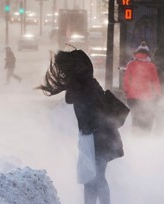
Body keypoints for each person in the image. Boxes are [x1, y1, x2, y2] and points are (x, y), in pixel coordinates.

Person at [37, 49, 124, 204]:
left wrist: (89, 131)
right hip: (97, 137)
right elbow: (73, 100)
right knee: (92, 178)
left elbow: (90, 110)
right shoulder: (86, 84)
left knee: (95, 177)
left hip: (98, 137)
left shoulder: (84, 87)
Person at [123, 46, 161, 134]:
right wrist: (157, 94)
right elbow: (155, 81)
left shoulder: (131, 64)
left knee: (135, 116)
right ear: (147, 55)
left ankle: (136, 135)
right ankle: (146, 135)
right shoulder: (151, 66)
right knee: (147, 115)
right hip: (147, 97)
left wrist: (126, 91)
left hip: (133, 97)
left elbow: (127, 79)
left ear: (136, 54)